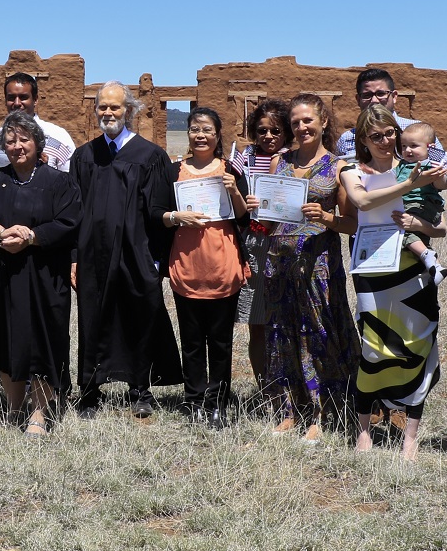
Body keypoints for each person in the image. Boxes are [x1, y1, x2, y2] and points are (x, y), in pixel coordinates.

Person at [252, 92, 361, 445]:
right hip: (278, 263)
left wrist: (327, 217)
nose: (301, 128)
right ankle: (290, 409)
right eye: (296, 123)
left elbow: (351, 224)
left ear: (323, 122)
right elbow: (267, 224)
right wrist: (257, 208)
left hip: (318, 267)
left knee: (318, 334)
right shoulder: (277, 163)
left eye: (308, 121)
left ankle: (321, 411)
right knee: (282, 334)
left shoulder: (338, 167)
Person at [69, 81, 182, 418]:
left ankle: (140, 389)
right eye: (102, 106)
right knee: (93, 318)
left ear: (129, 111)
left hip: (138, 253)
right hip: (94, 255)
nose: (108, 112)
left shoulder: (150, 156)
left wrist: (157, 260)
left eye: (115, 107)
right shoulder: (85, 156)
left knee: (140, 317)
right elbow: (74, 212)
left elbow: (161, 209)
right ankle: (90, 389)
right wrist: (74, 257)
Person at [0, 111, 82, 436]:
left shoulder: (58, 182)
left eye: (24, 139)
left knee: (43, 340)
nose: (17, 146)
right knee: (4, 337)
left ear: (38, 142)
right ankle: (15, 406)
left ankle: (39, 413)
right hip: (1, 274)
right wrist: (0, 234)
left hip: (44, 276)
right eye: (11, 140)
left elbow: (69, 221)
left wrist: (31, 236)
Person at [341, 104, 446, 459]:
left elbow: (443, 227)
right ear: (363, 140)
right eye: (376, 136)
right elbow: (362, 200)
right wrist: (407, 183)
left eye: (390, 134)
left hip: (413, 270)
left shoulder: (414, 166)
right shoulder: (351, 170)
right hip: (372, 269)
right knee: (373, 347)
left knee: (418, 344)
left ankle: (411, 436)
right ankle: (364, 430)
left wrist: (421, 227)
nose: (385, 141)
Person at [163, 108, 250, 429]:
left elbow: (243, 218)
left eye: (207, 130)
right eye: (194, 129)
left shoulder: (230, 171)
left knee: (221, 341)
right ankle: (195, 399)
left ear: (217, 135)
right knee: (192, 341)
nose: (200, 135)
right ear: (187, 133)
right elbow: (158, 212)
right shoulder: (175, 171)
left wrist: (233, 190)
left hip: (222, 266)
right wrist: (175, 217)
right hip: (187, 267)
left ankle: (218, 401)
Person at [234, 98, 290, 392]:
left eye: (276, 130)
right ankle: (265, 388)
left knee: (286, 321)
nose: (268, 136)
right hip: (254, 243)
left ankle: (292, 386)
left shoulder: (294, 157)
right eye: (262, 130)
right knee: (258, 322)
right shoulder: (243, 159)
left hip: (288, 242)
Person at [335, 67, 447, 191]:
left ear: (394, 96)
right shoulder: (347, 139)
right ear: (358, 99)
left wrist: (434, 178)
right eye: (367, 95)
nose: (374, 100)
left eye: (381, 94)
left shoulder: (418, 131)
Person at [0, 72, 75, 172]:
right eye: (11, 98)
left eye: (23, 97)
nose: (17, 103)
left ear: (35, 100)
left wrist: (45, 171)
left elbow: (70, 179)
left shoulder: (58, 136)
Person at [394, 121, 447, 276]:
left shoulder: (429, 164)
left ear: (429, 147)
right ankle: (434, 267)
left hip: (423, 205)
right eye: (404, 146)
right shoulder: (402, 164)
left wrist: (435, 166)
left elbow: (441, 182)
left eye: (414, 146)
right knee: (415, 235)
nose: (407, 150)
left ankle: (426, 254)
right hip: (410, 205)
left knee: (398, 228)